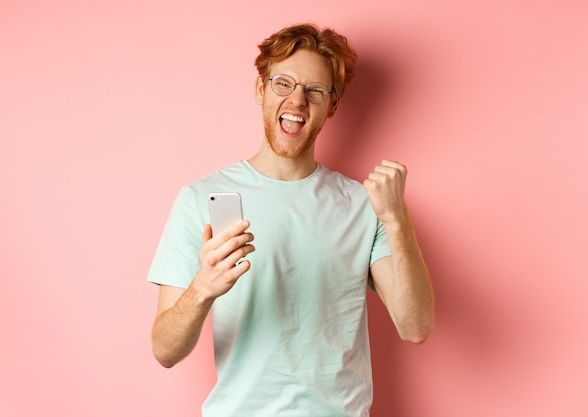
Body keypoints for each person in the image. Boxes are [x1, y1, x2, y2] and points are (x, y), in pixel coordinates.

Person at [148, 23, 435, 417]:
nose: (297, 100)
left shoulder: (363, 204)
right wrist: (204, 288)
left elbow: (414, 327)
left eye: (315, 90)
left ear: (332, 105)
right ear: (260, 89)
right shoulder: (198, 199)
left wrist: (397, 219)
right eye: (283, 83)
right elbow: (164, 350)